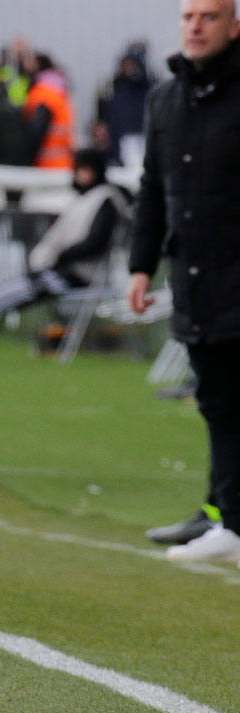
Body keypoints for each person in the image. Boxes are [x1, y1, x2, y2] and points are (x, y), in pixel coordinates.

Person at [127, 0, 240, 562]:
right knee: (216, 399)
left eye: (210, 16)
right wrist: (140, 264)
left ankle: (230, 520)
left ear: (234, 25)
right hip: (195, 276)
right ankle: (227, 519)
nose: (195, 26)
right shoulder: (165, 98)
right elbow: (153, 189)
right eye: (188, 16)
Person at [0, 148, 130, 358]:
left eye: (85, 169)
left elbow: (95, 243)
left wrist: (60, 256)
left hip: (76, 277)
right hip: (63, 274)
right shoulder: (90, 198)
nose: (79, 174)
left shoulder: (105, 201)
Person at [92, 43, 155, 168]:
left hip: (142, 140)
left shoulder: (152, 89)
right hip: (117, 144)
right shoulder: (111, 88)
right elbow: (101, 119)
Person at [23, 53, 75, 169]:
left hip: (46, 166)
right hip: (62, 164)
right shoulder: (58, 91)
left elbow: (36, 133)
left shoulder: (43, 95)